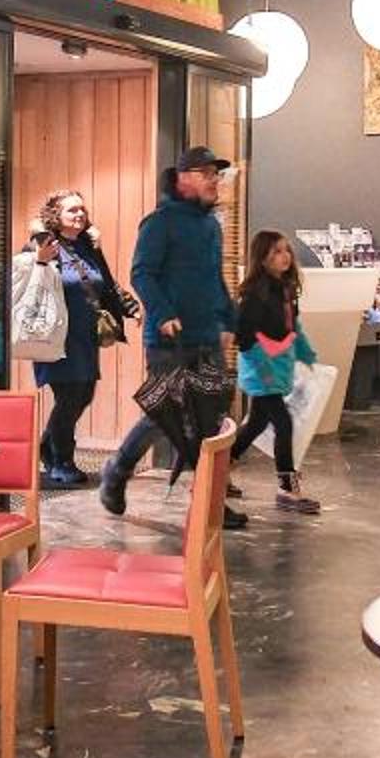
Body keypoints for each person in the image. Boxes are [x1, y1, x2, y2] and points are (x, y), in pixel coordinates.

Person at [98, 146, 244, 529]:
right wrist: (163, 313)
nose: (215, 181)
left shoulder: (211, 226)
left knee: (210, 422)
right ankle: (118, 469)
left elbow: (214, 279)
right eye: (206, 173)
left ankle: (210, 502)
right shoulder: (159, 223)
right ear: (183, 179)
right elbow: (142, 273)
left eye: (216, 174)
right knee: (166, 415)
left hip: (207, 337)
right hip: (169, 341)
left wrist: (230, 319)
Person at [29, 190, 131, 488]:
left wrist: (128, 306)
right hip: (57, 335)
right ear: (55, 216)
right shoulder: (44, 244)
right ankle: (62, 460)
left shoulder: (88, 245)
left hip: (85, 336)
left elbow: (106, 282)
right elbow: (28, 279)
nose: (79, 214)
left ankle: (48, 446)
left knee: (84, 394)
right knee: (69, 397)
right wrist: (39, 258)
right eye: (72, 210)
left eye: (82, 209)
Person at [235, 230, 322, 514]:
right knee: (283, 424)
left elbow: (293, 327)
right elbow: (244, 337)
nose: (285, 257)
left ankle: (217, 471)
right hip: (262, 371)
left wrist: (307, 354)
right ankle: (287, 488)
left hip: (277, 368)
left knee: (256, 424)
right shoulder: (254, 294)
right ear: (262, 259)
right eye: (276, 252)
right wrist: (264, 373)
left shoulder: (285, 289)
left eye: (286, 250)